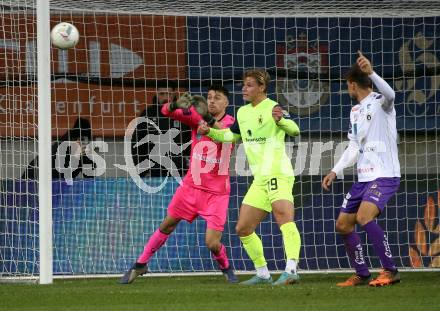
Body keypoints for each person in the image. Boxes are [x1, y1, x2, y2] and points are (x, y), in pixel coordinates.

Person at [120, 85, 238, 284]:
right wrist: (175, 104)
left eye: (217, 98)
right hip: (191, 187)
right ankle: (141, 264)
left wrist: (208, 123)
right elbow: (165, 111)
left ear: (226, 102)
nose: (211, 101)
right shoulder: (196, 117)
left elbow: (227, 137)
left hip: (216, 193)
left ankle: (226, 268)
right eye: (209, 97)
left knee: (212, 243)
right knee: (167, 224)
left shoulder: (232, 123)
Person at [198, 69, 301, 285]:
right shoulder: (243, 113)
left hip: (277, 172)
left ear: (262, 87)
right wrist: (209, 132)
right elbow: (230, 136)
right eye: (244, 85)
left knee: (284, 218)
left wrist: (281, 120)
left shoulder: (273, 107)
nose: (244, 89)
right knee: (243, 228)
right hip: (259, 179)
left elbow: (294, 130)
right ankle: (263, 273)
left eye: (249, 85)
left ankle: (291, 269)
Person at [322, 51, 401, 287]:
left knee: (364, 217)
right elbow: (354, 146)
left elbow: (392, 94)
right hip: (363, 178)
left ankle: (390, 270)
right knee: (343, 224)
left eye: (347, 86)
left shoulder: (381, 103)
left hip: (385, 174)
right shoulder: (355, 111)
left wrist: (372, 72)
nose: (347, 89)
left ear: (352, 85)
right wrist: (335, 170)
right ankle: (362, 273)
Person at [131, 83, 191, 177]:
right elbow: (137, 142)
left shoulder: (183, 113)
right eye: (162, 94)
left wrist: (187, 167)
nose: (165, 97)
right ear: (157, 94)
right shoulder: (148, 113)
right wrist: (141, 170)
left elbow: (190, 141)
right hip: (154, 170)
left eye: (168, 94)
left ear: (174, 94)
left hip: (178, 169)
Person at [22, 117, 94, 180]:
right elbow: (61, 175)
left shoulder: (81, 150)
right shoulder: (59, 148)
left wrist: (86, 157)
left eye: (85, 140)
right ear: (75, 139)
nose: (82, 143)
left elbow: (89, 176)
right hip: (31, 183)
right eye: (80, 139)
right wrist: (75, 157)